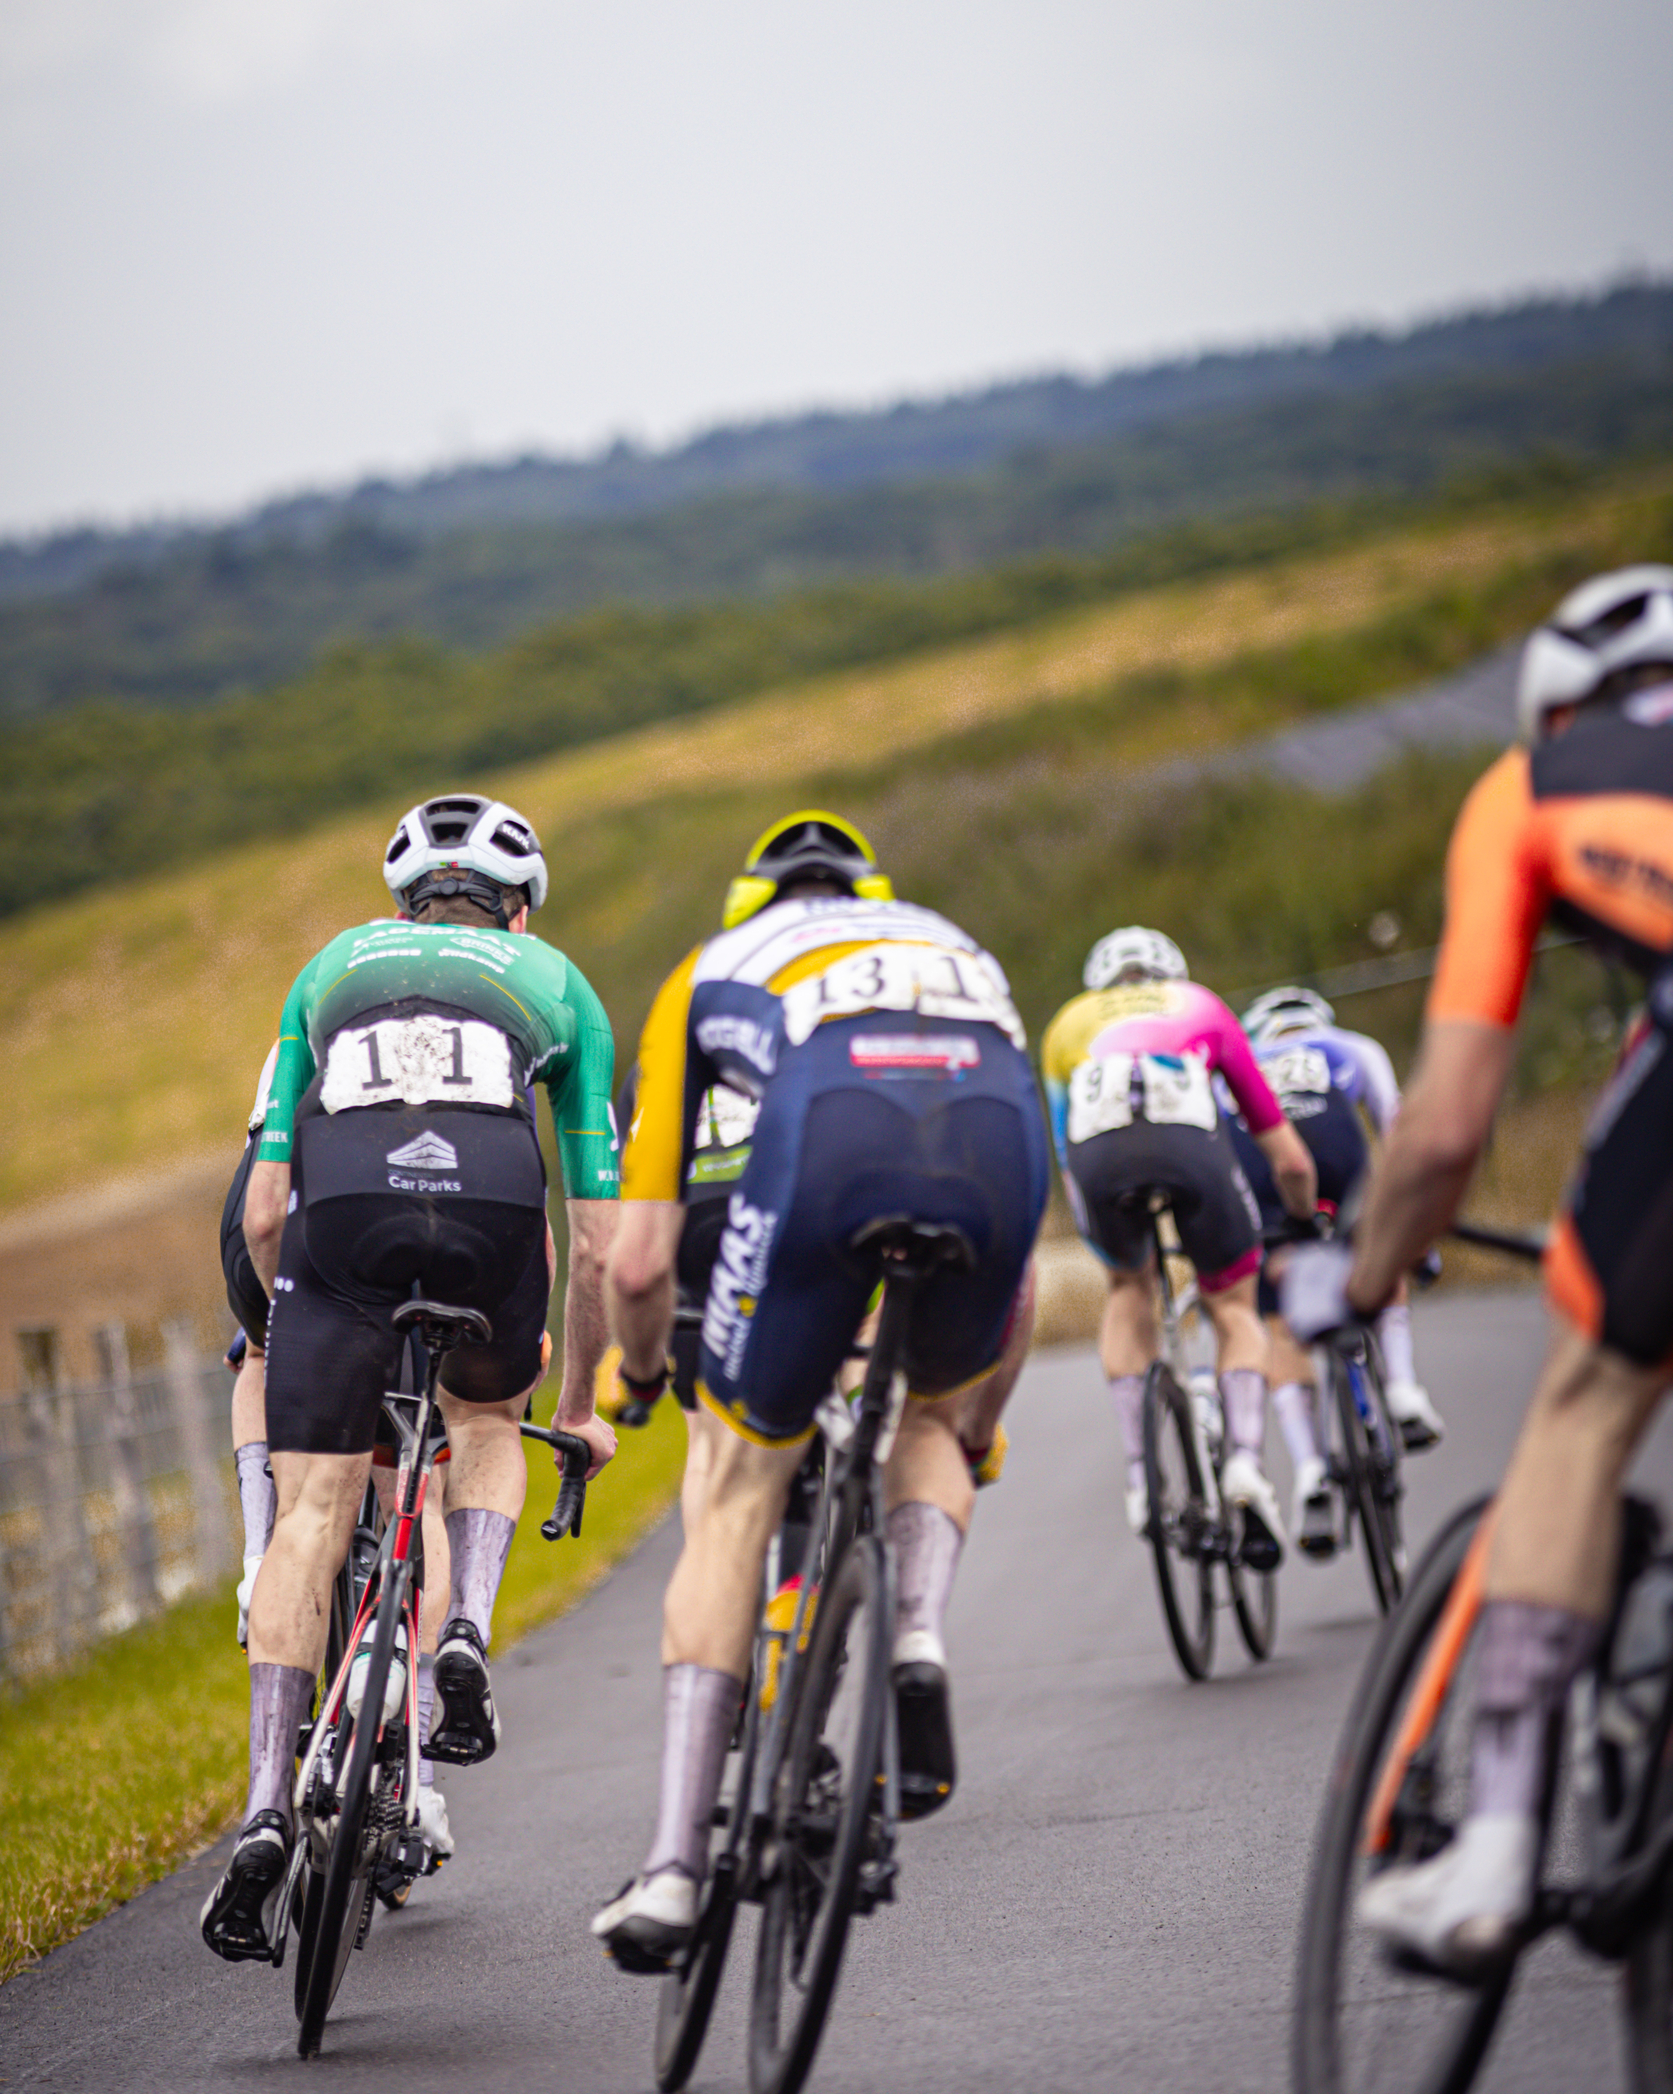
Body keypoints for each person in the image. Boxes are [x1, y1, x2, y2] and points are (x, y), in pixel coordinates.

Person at [1283, 565, 1673, 1975]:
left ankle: (1496, 1848)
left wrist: (1371, 1281)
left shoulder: (1535, 785)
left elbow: (1443, 1130)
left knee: (1584, 1403)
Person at [595, 810, 1048, 1972]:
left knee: (738, 1486)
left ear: (755, 905)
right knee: (925, 1422)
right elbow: (1027, 1280)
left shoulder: (710, 966)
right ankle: (916, 1632)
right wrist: (972, 1431)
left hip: (822, 1150)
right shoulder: (957, 944)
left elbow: (636, 1261)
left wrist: (640, 1378)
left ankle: (673, 1870)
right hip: (990, 1143)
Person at [201, 793, 619, 1961]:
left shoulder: (329, 967)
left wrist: (296, 1316)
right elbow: (593, 1239)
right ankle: (468, 1629)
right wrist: (575, 1408)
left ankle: (268, 1806)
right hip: (489, 1209)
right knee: (485, 1415)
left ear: (399, 905)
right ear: (519, 910)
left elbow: (267, 1203)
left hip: (336, 1223)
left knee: (315, 1519)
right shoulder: (559, 984)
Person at [218, 1042, 456, 1866]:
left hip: (280, 1193)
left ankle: (260, 1553)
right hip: (413, 1206)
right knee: (424, 1449)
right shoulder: (481, 1016)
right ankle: (417, 1766)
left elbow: (261, 1205)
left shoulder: (321, 1003)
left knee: (259, 1358)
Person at [1040, 928, 1317, 1560]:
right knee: (1234, 1307)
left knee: (1129, 1290)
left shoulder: (1066, 1024)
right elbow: (1288, 1157)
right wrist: (1302, 1215)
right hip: (1191, 1147)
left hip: (1099, 1158)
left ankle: (1142, 1476)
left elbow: (1064, 1149)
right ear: (1171, 973)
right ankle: (1246, 1461)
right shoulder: (1200, 1005)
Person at [1226, 985, 1444, 1558]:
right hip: (1338, 1147)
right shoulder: (1351, 1046)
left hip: (1265, 1163)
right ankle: (1402, 1389)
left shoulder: (1243, 1064)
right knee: (1378, 1248)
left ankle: (1309, 1470)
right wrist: (1414, 1236)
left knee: (1279, 1326)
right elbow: (1398, 1129)